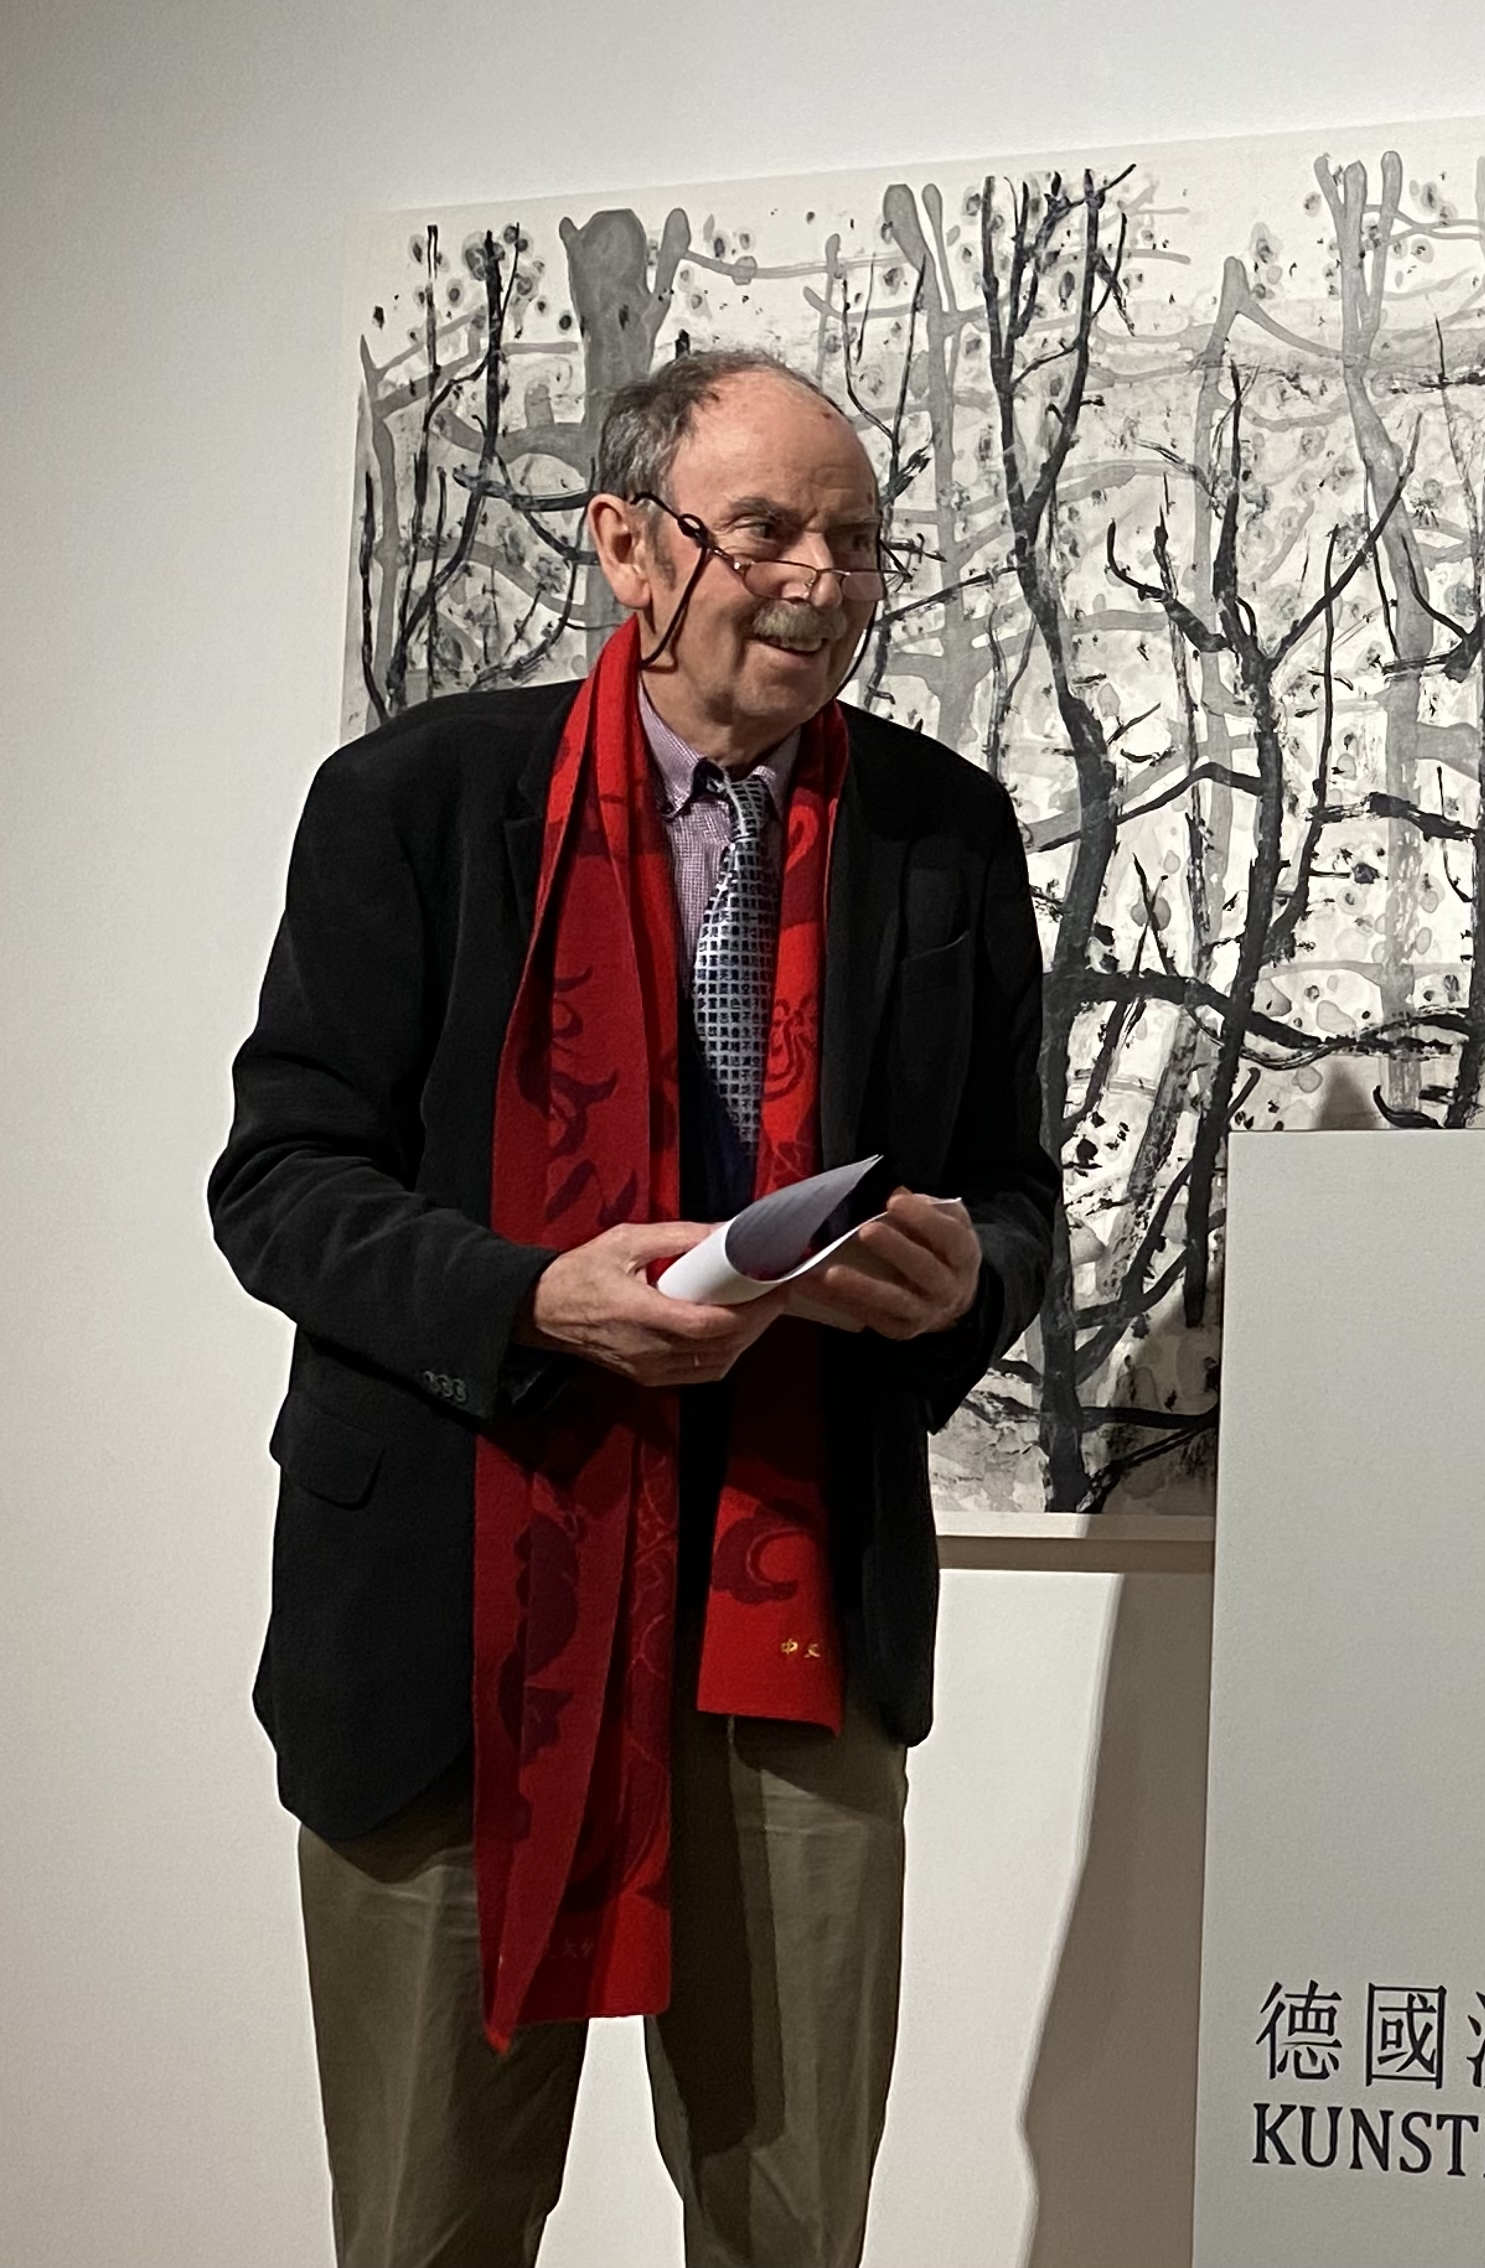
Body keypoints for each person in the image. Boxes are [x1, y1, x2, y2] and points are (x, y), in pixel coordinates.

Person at [211, 348, 1058, 2268]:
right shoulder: (418, 803)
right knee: (431, 2224)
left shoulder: (939, 830)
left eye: (860, 542)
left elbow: (1013, 1194)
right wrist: (533, 1297)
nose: (821, 581)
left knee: (791, 2230)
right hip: (455, 1608)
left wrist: (963, 1278)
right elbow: (280, 1185)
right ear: (626, 543)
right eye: (766, 531)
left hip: (787, 1601)